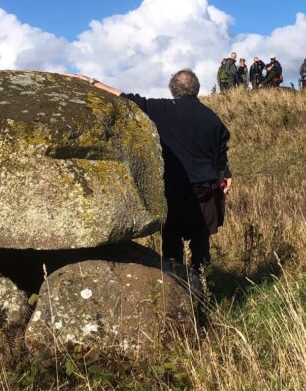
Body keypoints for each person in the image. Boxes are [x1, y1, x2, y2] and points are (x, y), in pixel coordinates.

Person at [66, 70, 231, 280]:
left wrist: (93, 82)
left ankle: (177, 286)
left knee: (171, 242)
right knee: (201, 243)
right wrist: (223, 176)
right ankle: (205, 289)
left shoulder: (161, 109)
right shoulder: (212, 119)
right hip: (205, 192)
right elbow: (221, 157)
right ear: (196, 88)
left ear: (173, 89)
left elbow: (128, 99)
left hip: (173, 190)